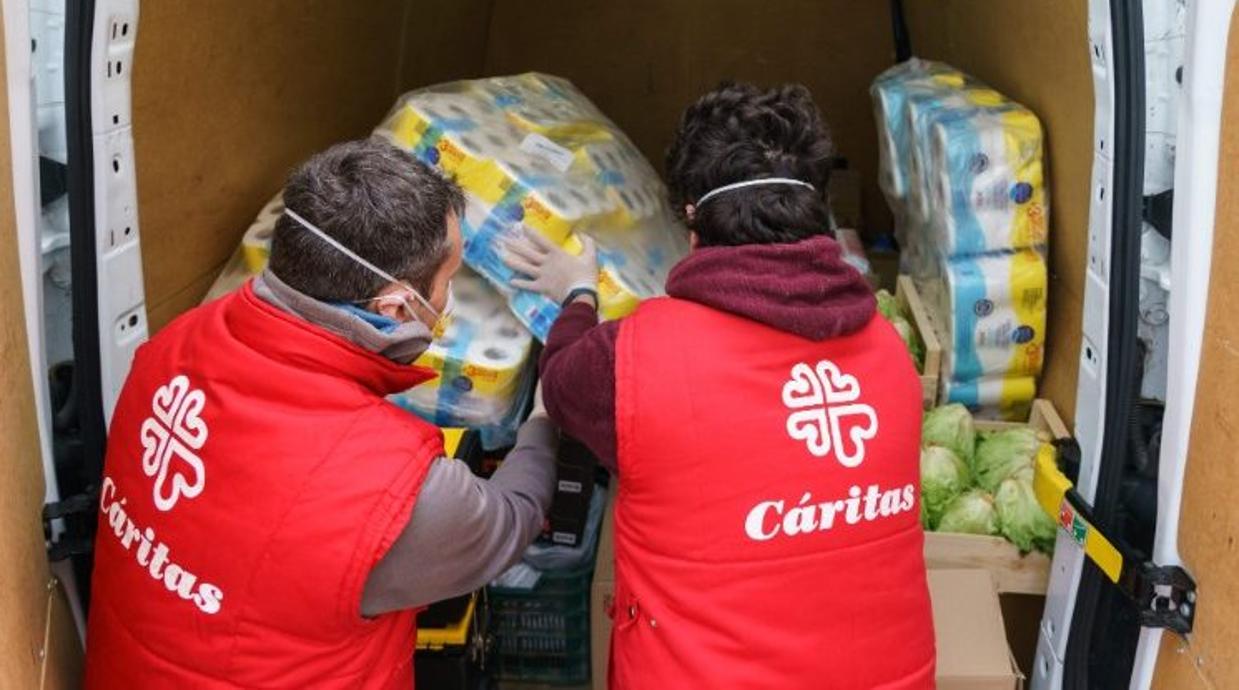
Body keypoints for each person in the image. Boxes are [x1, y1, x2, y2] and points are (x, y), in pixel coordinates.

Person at [84, 139, 559, 689]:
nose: (448, 299)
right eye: (447, 281)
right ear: (395, 307)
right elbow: (511, 518)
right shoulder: (399, 493)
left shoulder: (171, 346)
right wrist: (544, 416)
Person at [504, 83, 935, 689]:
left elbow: (562, 384)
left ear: (692, 222)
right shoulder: (889, 353)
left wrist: (578, 293)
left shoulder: (634, 360)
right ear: (817, 214)